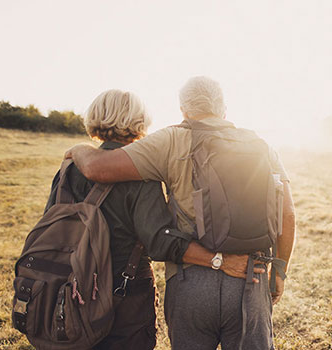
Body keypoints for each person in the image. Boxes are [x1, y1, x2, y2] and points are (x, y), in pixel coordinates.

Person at [65, 77, 296, 350]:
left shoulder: (170, 139)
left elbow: (98, 169)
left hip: (190, 282)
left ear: (183, 110)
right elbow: (288, 214)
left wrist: (79, 149)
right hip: (250, 275)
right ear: (224, 109)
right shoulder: (262, 146)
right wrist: (279, 269)